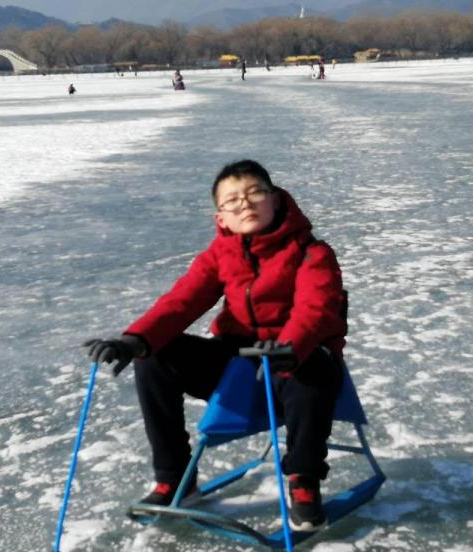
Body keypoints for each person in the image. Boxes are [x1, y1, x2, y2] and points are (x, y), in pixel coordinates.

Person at [84, 160, 347, 531]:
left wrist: (290, 347)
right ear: (221, 217)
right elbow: (182, 301)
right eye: (232, 200)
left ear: (275, 199)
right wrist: (135, 340)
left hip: (294, 360)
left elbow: (314, 309)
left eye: (255, 193)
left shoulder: (312, 252)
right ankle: (176, 478)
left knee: (314, 366)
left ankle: (303, 480)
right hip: (237, 361)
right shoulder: (219, 255)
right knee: (155, 356)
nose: (245, 204)